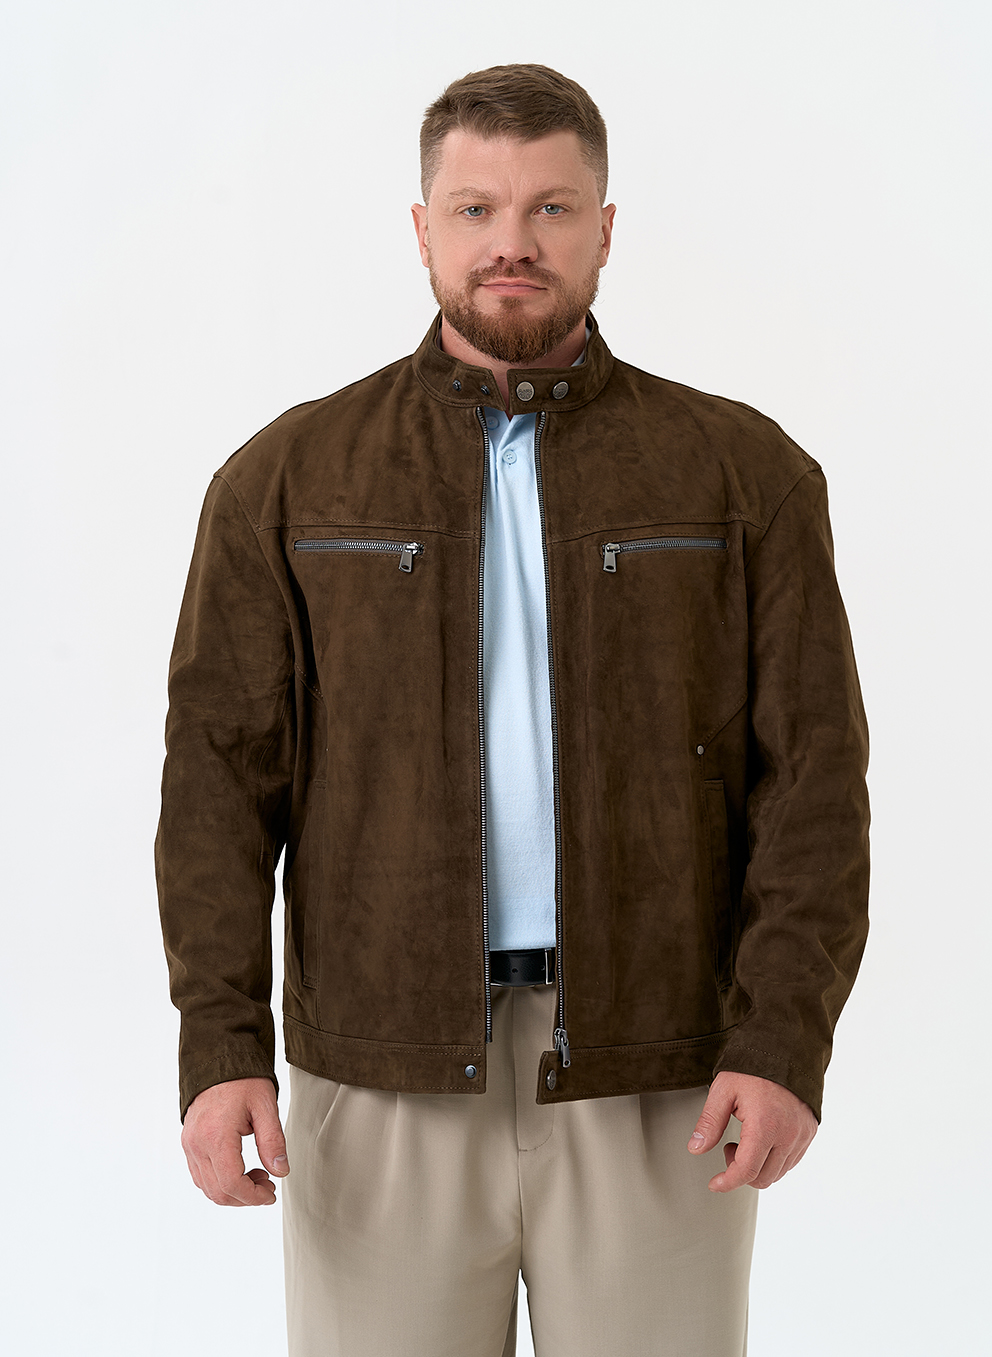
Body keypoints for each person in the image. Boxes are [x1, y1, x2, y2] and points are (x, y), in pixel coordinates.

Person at [156, 63, 870, 1357]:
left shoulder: (744, 476)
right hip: (378, 1069)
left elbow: (814, 781)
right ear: (422, 229)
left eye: (551, 207)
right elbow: (217, 781)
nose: (513, 243)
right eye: (476, 209)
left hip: (661, 1071)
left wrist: (783, 1039)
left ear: (606, 227)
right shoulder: (287, 480)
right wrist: (221, 1044)